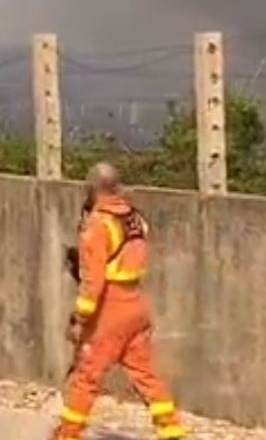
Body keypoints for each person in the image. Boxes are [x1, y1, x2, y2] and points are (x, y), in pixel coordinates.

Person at [53, 163, 186, 440]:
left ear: (92, 188)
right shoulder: (135, 218)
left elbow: (93, 281)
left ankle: (67, 434)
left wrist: (80, 318)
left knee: (86, 375)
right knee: (146, 375)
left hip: (109, 309)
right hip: (136, 304)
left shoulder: (98, 224)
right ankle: (172, 431)